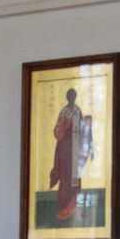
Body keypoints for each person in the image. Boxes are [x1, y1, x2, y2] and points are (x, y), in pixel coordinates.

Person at [49, 88, 94, 221]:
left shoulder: (77, 110)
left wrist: (86, 123)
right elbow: (57, 130)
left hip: (75, 148)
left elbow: (82, 128)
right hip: (64, 148)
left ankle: (74, 207)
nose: (72, 98)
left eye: (74, 96)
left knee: (75, 175)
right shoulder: (63, 112)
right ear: (68, 97)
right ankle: (63, 207)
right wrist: (64, 126)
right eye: (71, 96)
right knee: (65, 174)